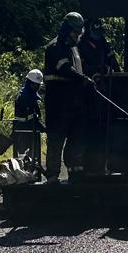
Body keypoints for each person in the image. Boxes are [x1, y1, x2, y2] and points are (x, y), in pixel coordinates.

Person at [43, 12, 95, 181]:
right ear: (66, 30)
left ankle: (75, 173)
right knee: (56, 141)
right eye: (75, 32)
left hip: (74, 104)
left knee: (77, 139)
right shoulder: (54, 48)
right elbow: (64, 68)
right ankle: (52, 177)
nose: (77, 36)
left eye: (79, 33)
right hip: (58, 105)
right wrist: (83, 79)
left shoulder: (74, 49)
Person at [12, 69, 45, 174]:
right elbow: (31, 116)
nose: (38, 87)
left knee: (33, 155)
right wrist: (42, 127)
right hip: (24, 130)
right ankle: (22, 174)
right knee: (22, 156)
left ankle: (31, 173)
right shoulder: (24, 96)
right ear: (30, 83)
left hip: (31, 129)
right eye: (36, 85)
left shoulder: (31, 93)